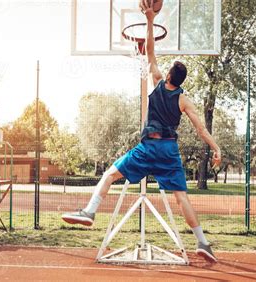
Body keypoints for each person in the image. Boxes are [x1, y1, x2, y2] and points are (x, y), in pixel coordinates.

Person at [62, 0, 222, 262]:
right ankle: (203, 243)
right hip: (169, 151)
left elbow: (149, 50)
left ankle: (90, 212)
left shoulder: (158, 81)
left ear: (169, 74)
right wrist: (216, 148)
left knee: (110, 174)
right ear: (181, 81)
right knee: (182, 198)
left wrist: (149, 19)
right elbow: (201, 129)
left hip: (148, 148)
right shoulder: (184, 100)